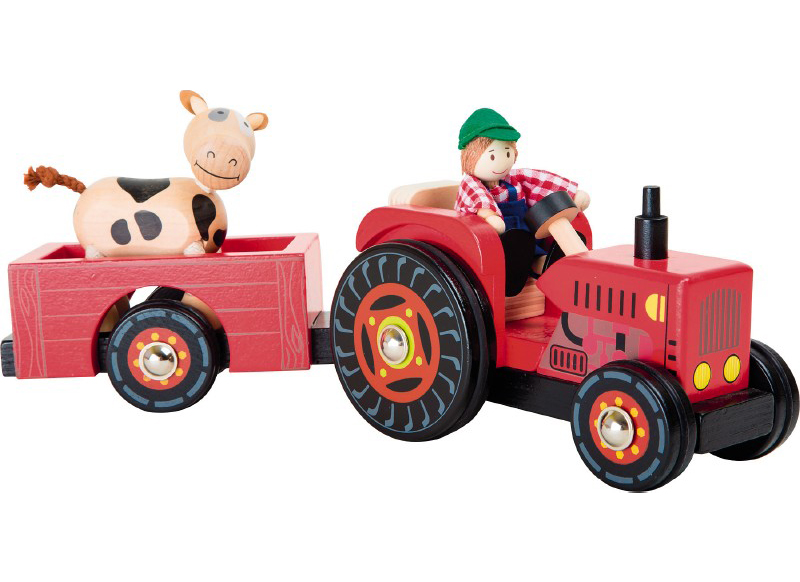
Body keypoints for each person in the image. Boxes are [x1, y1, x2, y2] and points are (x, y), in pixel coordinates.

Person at [454, 108, 590, 294]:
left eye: (507, 154)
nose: (502, 162)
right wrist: (490, 216)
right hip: (493, 242)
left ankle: (550, 265)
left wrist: (572, 195)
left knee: (528, 244)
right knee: (516, 243)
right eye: (492, 156)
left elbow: (540, 181)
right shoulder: (470, 183)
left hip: (526, 237)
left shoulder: (514, 179)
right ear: (471, 156)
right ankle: (511, 277)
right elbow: (479, 199)